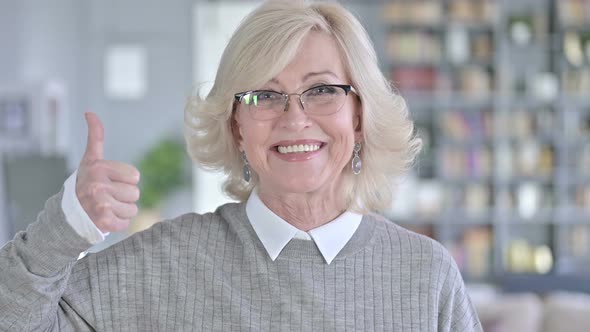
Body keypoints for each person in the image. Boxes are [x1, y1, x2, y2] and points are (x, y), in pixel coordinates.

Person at [0, 1, 482, 331]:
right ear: (236, 128)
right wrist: (63, 227)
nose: (295, 118)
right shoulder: (162, 265)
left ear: (359, 118)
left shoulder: (427, 276)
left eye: (321, 90)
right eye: (265, 95)